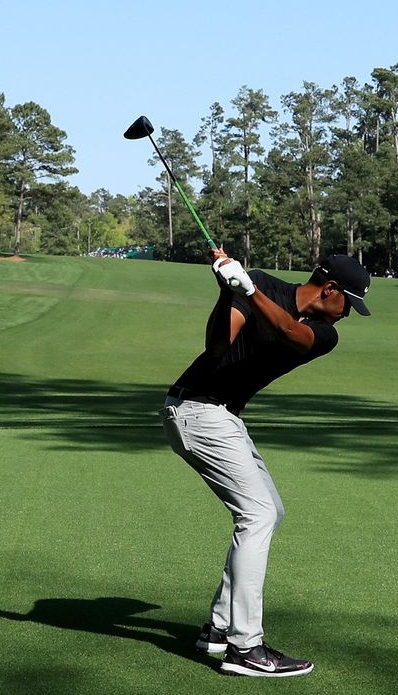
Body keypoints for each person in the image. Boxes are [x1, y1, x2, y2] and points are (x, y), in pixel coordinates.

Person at [161, 250, 371, 678]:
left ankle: (218, 629)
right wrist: (227, 292)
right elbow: (217, 346)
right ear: (329, 289)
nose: (347, 313)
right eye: (347, 302)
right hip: (197, 411)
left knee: (269, 511)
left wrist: (247, 290)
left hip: (221, 415)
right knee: (255, 515)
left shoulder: (322, 334)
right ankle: (244, 648)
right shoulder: (262, 284)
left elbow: (290, 331)